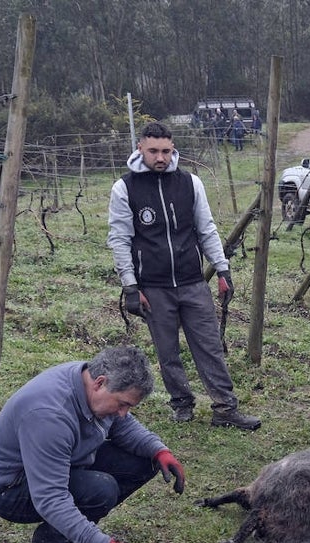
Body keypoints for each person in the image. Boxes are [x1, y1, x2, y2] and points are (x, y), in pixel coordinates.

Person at [0, 346, 186, 543]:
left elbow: (122, 426)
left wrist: (159, 450)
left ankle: (74, 530)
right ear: (100, 383)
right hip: (10, 487)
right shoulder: (49, 415)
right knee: (101, 490)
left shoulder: (89, 381)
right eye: (122, 404)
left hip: (63, 463)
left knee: (145, 459)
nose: (123, 413)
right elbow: (50, 498)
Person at [108, 120, 260, 430]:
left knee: (209, 346)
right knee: (167, 350)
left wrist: (222, 269)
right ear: (140, 149)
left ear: (173, 148)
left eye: (165, 151)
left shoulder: (191, 183)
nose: (160, 157)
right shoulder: (125, 188)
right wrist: (131, 287)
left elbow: (206, 229)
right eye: (153, 151)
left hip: (192, 282)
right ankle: (181, 402)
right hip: (153, 286)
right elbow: (119, 239)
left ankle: (225, 408)